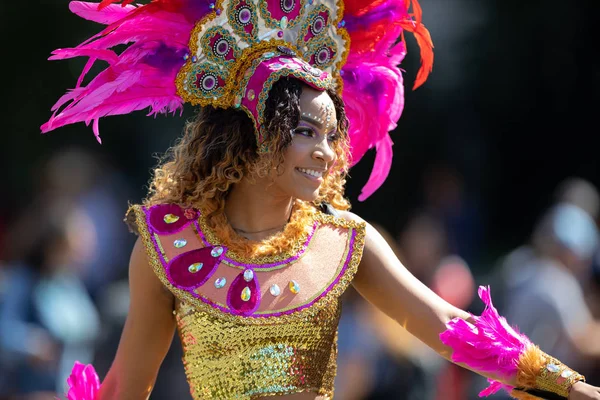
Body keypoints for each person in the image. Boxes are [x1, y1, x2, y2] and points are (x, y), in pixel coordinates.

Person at [41, 0, 600, 399]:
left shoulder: (344, 242)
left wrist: (567, 385)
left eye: (333, 135)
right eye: (306, 131)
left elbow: (450, 326)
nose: (328, 153)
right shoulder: (166, 248)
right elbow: (125, 388)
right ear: (255, 131)